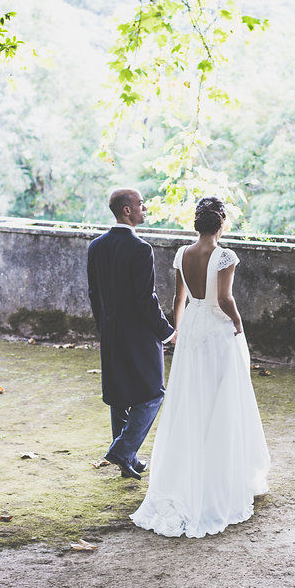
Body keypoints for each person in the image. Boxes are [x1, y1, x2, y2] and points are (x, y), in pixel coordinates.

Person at [131, 196, 270, 537]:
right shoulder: (225, 256)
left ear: (197, 224)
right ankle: (222, 477)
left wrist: (179, 331)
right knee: (222, 399)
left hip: (193, 328)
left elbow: (178, 300)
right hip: (216, 330)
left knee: (192, 398)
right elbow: (224, 299)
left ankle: (191, 472)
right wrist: (238, 324)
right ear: (221, 224)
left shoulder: (182, 254)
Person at [87, 188, 176, 480]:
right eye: (141, 204)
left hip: (111, 331)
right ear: (127, 210)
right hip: (139, 336)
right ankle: (123, 450)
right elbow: (145, 300)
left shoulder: (95, 247)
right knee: (152, 394)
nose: (145, 208)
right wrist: (166, 333)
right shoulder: (141, 249)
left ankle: (128, 459)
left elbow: (94, 295)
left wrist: (105, 328)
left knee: (120, 395)